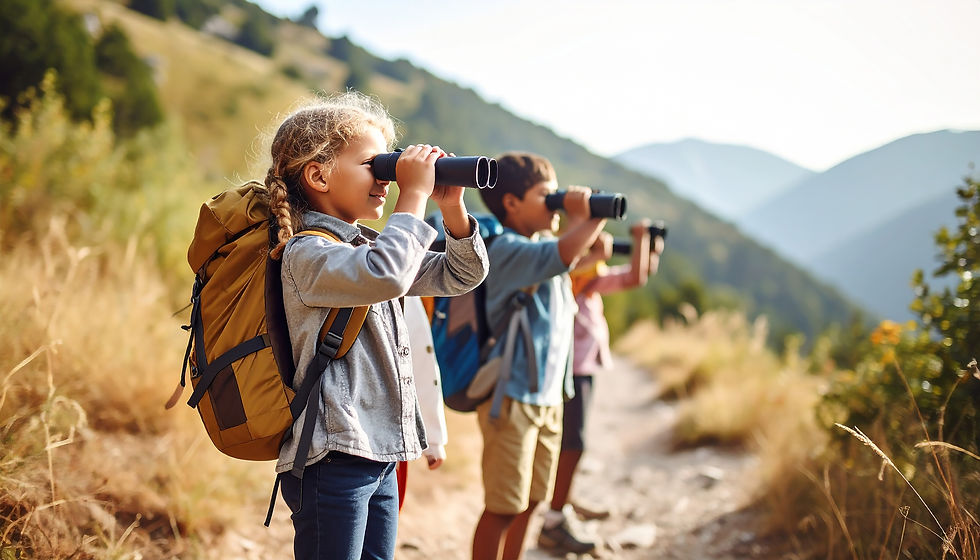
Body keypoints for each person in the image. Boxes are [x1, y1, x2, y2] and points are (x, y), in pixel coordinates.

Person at [264, 92, 489, 560]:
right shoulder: (306, 254)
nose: (386, 179)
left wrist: (450, 208)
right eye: (375, 164)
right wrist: (413, 194)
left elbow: (461, 274)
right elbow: (386, 274)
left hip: (382, 452)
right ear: (319, 174)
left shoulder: (371, 246)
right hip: (332, 456)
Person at [471, 152, 606, 560]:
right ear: (511, 203)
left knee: (530, 500)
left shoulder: (540, 245)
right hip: (511, 398)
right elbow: (561, 256)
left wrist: (589, 239)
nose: (556, 202)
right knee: (502, 506)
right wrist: (588, 217)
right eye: (546, 195)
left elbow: (567, 259)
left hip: (546, 396)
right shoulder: (505, 249)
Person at [537, 224, 664, 554]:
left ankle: (561, 502)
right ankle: (554, 518)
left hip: (583, 367)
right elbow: (568, 271)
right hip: (567, 370)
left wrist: (645, 246)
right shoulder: (568, 268)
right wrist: (594, 254)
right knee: (571, 443)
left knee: (572, 443)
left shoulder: (589, 275)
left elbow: (634, 277)